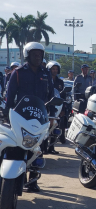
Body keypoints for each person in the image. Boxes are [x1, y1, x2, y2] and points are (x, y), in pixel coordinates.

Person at [6, 42, 54, 192]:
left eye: (40, 54)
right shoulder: (18, 72)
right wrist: (7, 113)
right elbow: (10, 96)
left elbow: (51, 95)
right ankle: (11, 174)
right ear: (27, 55)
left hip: (40, 116)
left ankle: (33, 180)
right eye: (35, 54)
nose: (38, 56)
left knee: (36, 148)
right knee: (17, 145)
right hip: (21, 115)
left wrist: (51, 114)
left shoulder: (46, 73)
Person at [44, 61, 64, 155]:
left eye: (56, 69)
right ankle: (43, 147)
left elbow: (63, 96)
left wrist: (63, 109)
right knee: (45, 128)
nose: (55, 71)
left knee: (55, 127)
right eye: (53, 69)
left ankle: (51, 147)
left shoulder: (60, 82)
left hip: (57, 107)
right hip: (46, 107)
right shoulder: (45, 80)